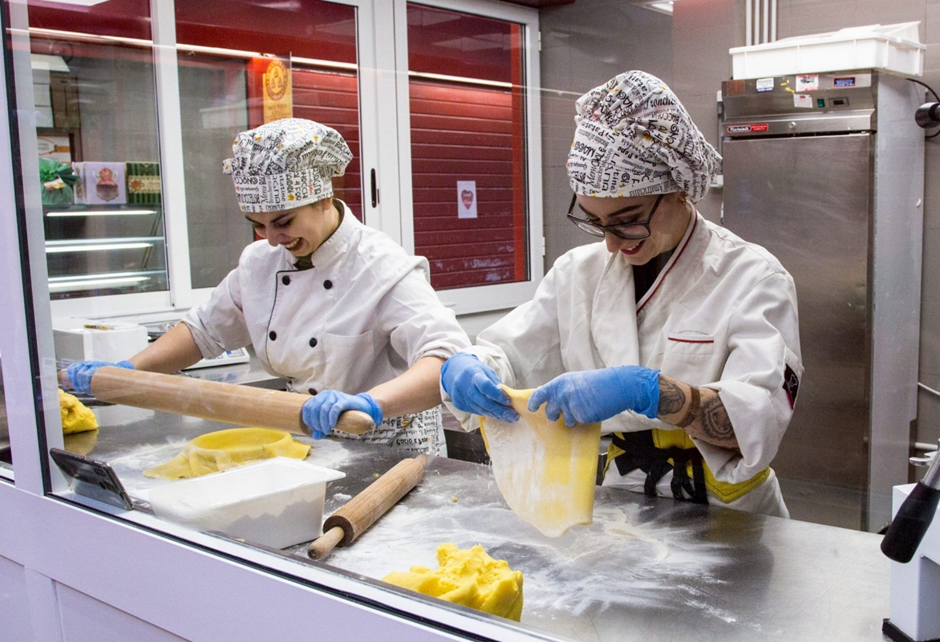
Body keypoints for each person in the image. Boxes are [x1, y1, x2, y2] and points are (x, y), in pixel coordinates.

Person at [441, 71, 802, 516]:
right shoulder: (579, 274)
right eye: (595, 221)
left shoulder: (752, 279)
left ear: (678, 190)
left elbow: (758, 421)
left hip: (733, 515)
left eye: (628, 219)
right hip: (622, 503)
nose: (611, 242)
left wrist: (647, 391)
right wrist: (472, 367)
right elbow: (514, 355)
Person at [67, 118, 470, 456]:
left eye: (283, 222)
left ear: (324, 199)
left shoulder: (380, 265)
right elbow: (204, 331)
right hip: (307, 437)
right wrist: (126, 371)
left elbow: (444, 356)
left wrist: (371, 403)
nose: (271, 239)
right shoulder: (260, 264)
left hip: (393, 446)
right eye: (257, 224)